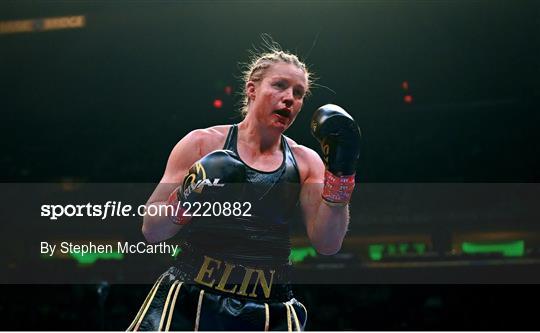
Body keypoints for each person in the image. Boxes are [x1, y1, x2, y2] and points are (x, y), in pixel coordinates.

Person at [127, 43, 361, 331]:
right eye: (280, 86)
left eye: (298, 93)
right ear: (252, 89)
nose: (289, 98)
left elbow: (328, 244)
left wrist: (341, 174)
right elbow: (151, 230)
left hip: (268, 307)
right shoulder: (202, 144)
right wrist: (188, 196)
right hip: (191, 296)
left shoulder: (306, 162)